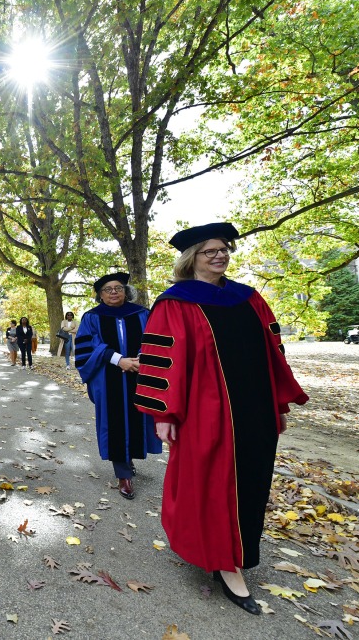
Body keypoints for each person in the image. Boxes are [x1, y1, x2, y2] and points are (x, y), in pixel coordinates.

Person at [134, 222, 308, 615]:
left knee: (249, 482)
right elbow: (165, 361)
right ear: (191, 257)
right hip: (206, 411)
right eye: (209, 250)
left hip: (256, 409)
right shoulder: (175, 303)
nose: (219, 256)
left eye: (223, 249)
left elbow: (273, 353)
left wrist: (278, 402)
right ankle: (226, 565)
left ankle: (234, 551)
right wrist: (163, 413)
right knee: (212, 484)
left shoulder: (250, 299)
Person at [74, 273, 160, 500]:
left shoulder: (142, 313)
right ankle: (123, 475)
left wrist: (141, 359)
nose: (114, 292)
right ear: (100, 295)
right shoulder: (91, 317)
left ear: (125, 291)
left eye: (118, 288)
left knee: (136, 418)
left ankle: (129, 457)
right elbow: (86, 348)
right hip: (107, 377)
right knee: (115, 422)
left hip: (139, 376)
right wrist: (117, 359)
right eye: (108, 289)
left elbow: (154, 340)